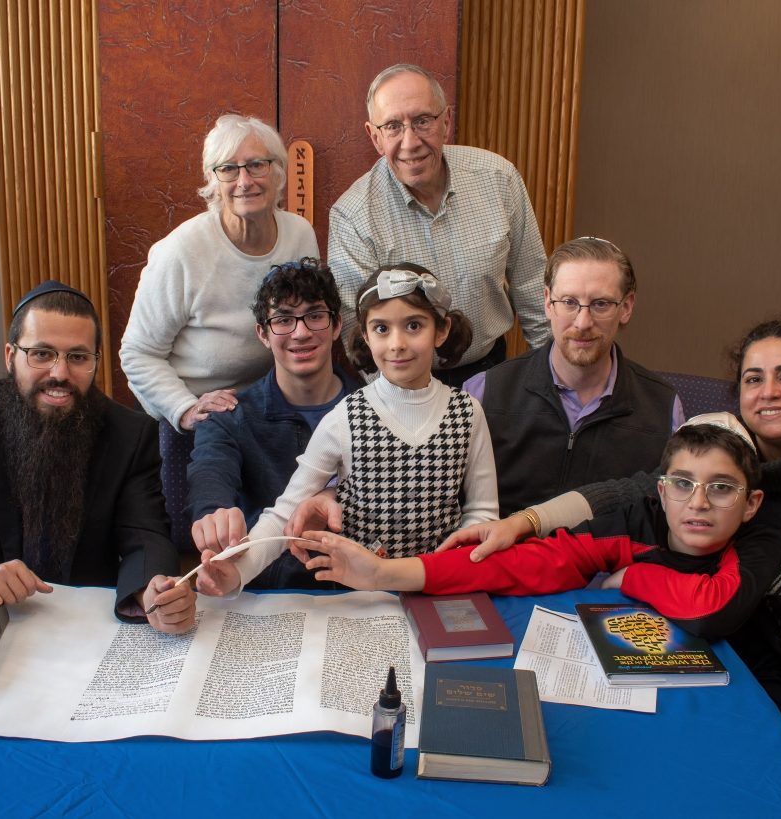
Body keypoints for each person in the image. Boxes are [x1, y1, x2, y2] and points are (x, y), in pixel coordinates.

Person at [446, 318, 781, 818]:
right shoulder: (731, 471)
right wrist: (525, 522)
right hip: (767, 663)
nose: (770, 393)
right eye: (754, 379)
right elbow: (624, 490)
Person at [293, 416, 781, 640]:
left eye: (721, 488)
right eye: (683, 483)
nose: (698, 503)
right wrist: (383, 573)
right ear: (659, 490)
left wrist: (629, 578)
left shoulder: (758, 537)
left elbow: (712, 610)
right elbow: (513, 566)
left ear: (750, 503)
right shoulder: (633, 524)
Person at [0, 281, 195, 634]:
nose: (59, 374)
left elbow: (146, 536)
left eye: (78, 357)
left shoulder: (130, 433)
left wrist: (149, 590)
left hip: (81, 627)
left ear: (95, 362)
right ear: (10, 356)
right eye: (42, 353)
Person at [195, 263, 499, 595]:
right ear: (366, 336)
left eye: (413, 325)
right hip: (360, 598)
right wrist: (237, 573)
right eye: (382, 329)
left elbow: (482, 513)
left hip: (442, 587)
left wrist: (455, 569)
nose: (396, 343)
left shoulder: (468, 412)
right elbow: (285, 513)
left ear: (441, 330)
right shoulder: (346, 417)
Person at [327, 63, 549, 386]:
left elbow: (534, 296)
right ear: (375, 137)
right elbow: (358, 337)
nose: (410, 141)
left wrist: (551, 389)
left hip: (493, 376)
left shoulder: (499, 180)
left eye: (422, 121)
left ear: (446, 122)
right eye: (392, 126)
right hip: (402, 387)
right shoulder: (353, 217)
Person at [120, 114, 319, 431]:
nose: (244, 181)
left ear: (278, 171)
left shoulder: (300, 235)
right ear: (213, 180)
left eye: (257, 164)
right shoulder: (181, 251)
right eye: (228, 169)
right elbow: (138, 354)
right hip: (190, 412)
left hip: (262, 404)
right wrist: (185, 409)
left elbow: (307, 325)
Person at [464, 236, 683, 515]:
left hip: (611, 557)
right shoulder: (484, 393)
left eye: (601, 304)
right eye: (569, 302)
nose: (582, 322)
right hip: (505, 555)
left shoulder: (664, 408)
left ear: (626, 307)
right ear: (547, 303)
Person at [186, 258, 360, 588]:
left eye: (315, 316)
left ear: (337, 325)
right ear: (263, 334)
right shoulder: (229, 417)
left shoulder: (375, 411)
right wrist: (213, 515)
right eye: (283, 320)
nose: (301, 332)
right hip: (262, 593)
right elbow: (209, 475)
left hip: (359, 592)